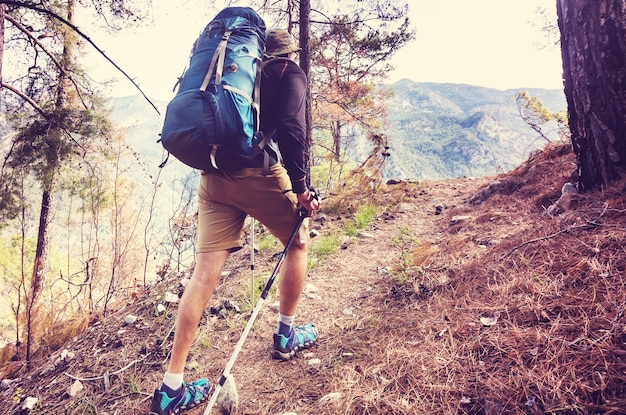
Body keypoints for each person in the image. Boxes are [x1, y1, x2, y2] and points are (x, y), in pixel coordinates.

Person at [149, 29, 320, 415]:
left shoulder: (231, 76)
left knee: (204, 272)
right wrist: (302, 188)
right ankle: (287, 333)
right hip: (257, 176)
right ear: (288, 54)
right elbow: (293, 132)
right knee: (298, 241)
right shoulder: (287, 73)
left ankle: (171, 387)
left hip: (213, 179)